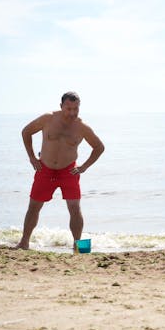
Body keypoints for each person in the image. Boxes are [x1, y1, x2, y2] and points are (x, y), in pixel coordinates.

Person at [16, 91, 105, 250]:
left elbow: (99, 147)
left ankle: (78, 246)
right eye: (68, 108)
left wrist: (84, 167)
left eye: (75, 109)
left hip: (69, 171)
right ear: (61, 106)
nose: (72, 112)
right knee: (34, 206)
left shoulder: (82, 127)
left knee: (74, 208)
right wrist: (32, 158)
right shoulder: (48, 119)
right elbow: (26, 132)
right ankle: (24, 242)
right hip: (45, 169)